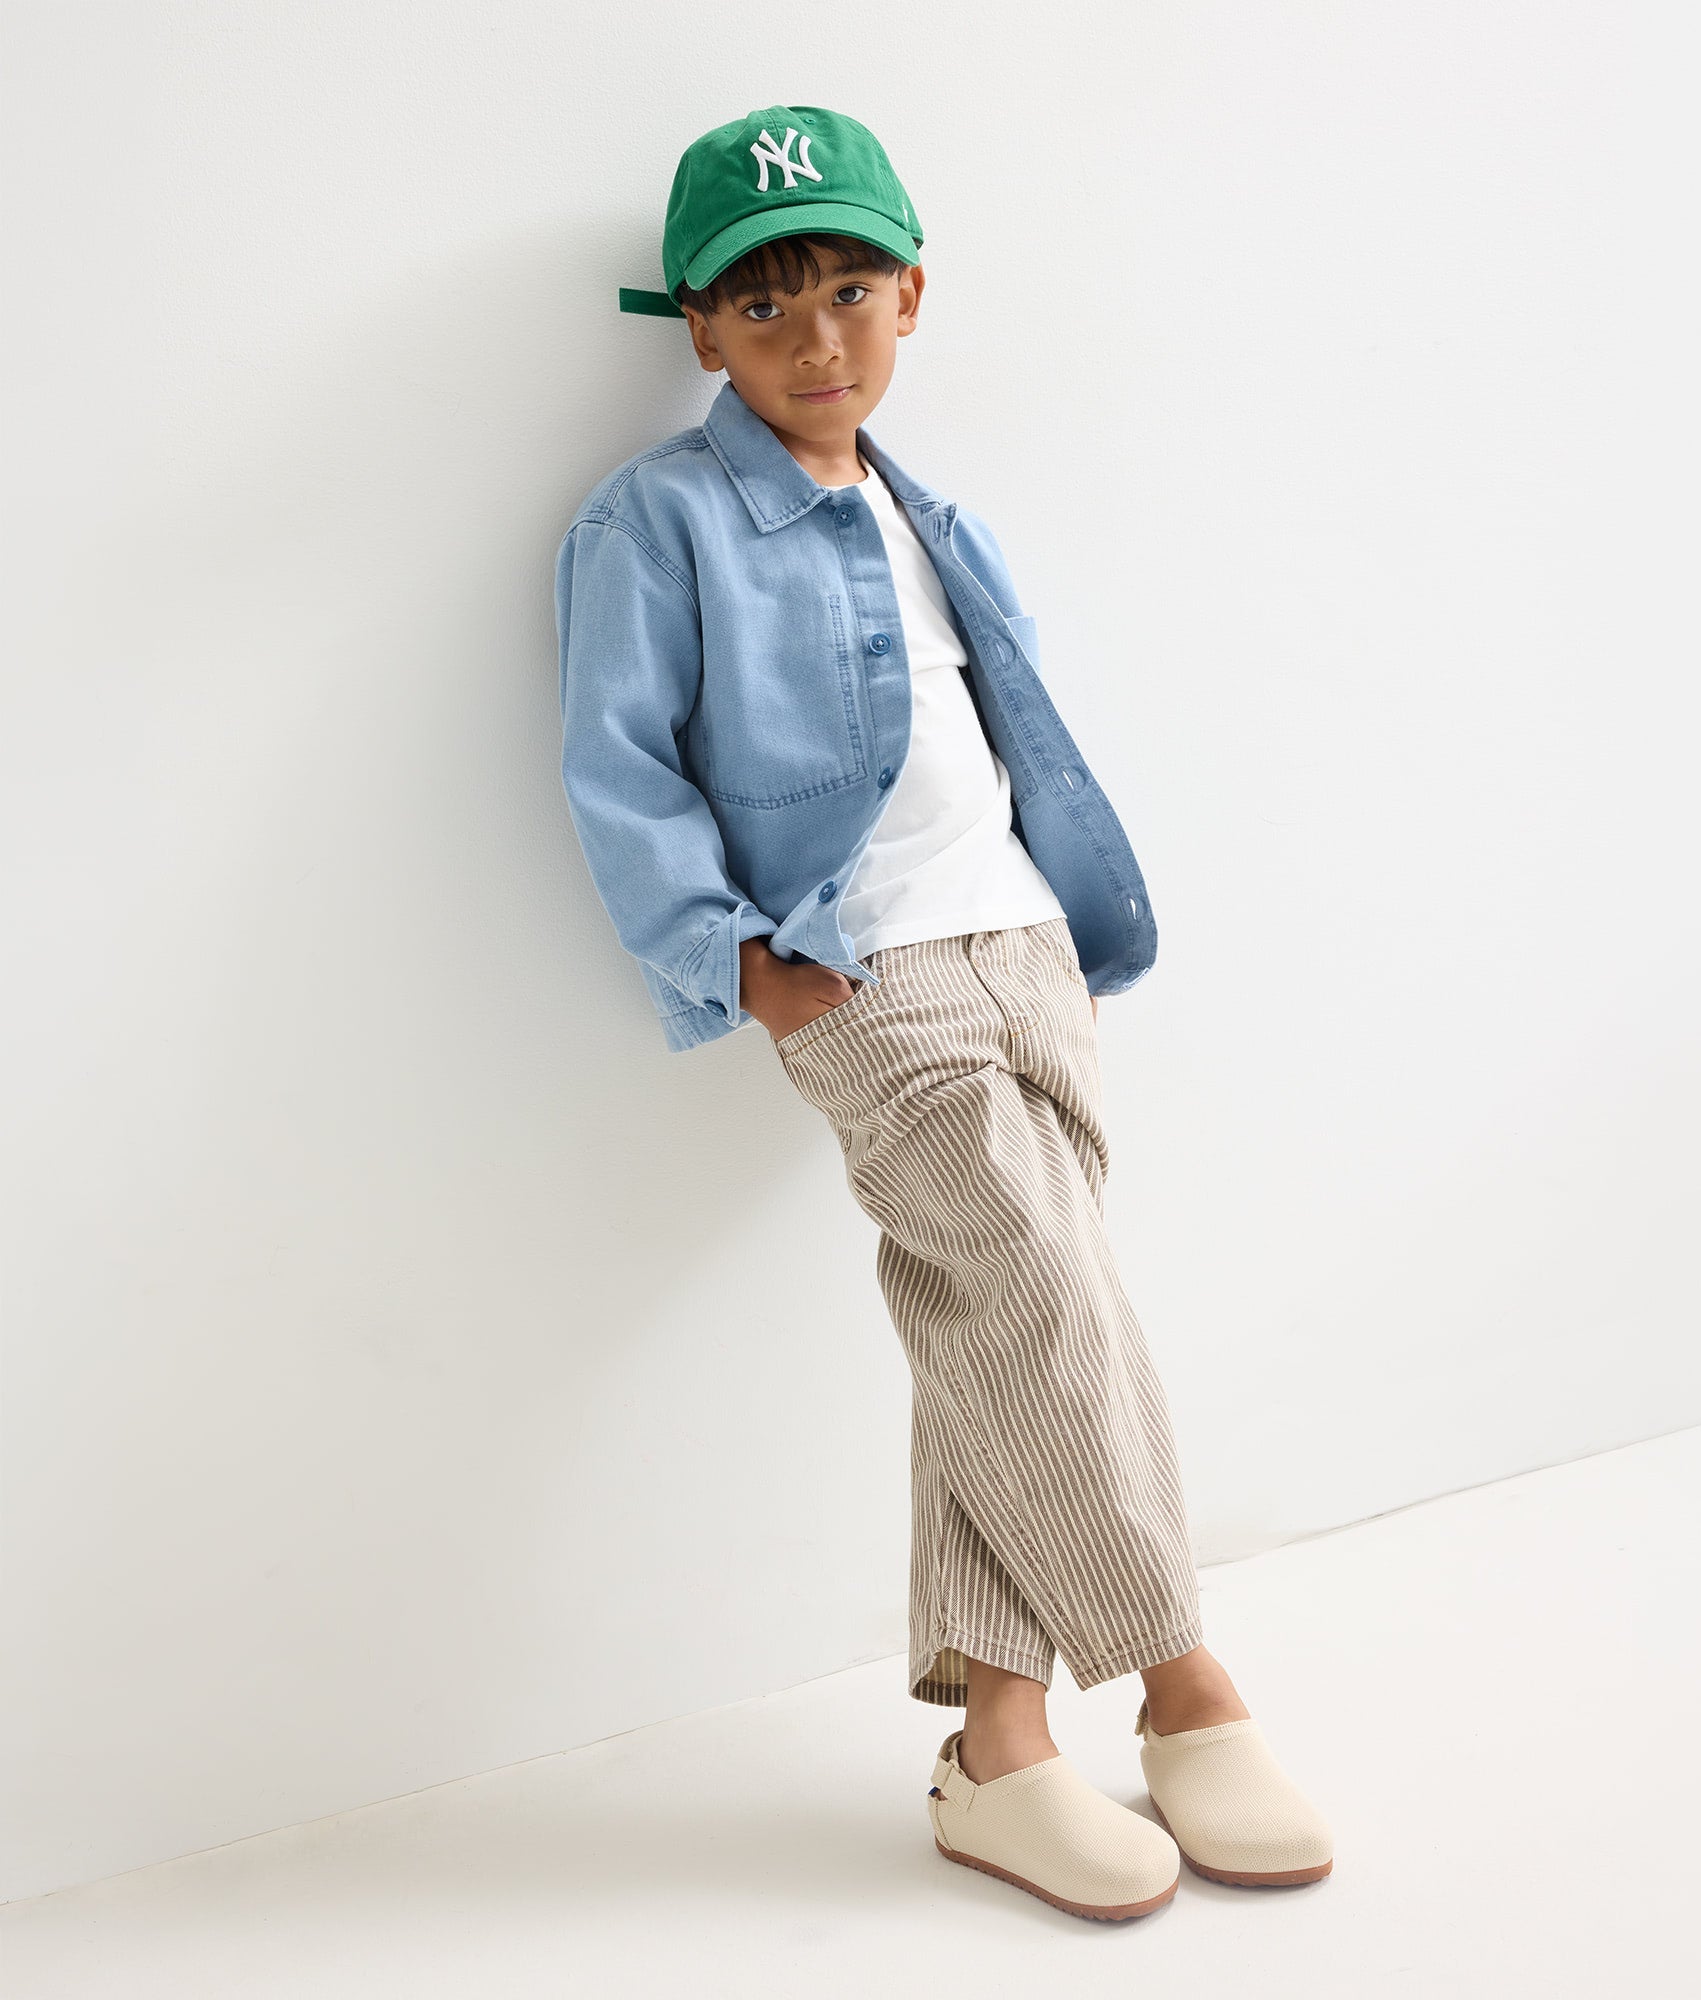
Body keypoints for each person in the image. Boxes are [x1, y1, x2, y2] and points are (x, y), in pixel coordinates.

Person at [555, 102, 1333, 1922]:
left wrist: (1055, 915)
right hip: (868, 973)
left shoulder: (935, 513)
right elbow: (617, 765)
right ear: (702, 333)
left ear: (912, 296)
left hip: (1028, 942)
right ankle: (1185, 1682)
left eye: (847, 291)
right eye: (764, 307)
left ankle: (1001, 1744)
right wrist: (740, 961)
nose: (814, 340)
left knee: (1003, 1334)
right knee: (1041, 1302)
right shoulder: (658, 521)